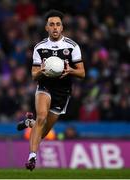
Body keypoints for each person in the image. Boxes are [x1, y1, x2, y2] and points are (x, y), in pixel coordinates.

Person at [17, 9, 85, 171]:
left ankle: (29, 122)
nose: (55, 27)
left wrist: (71, 71)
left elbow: (82, 73)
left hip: (63, 92)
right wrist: (41, 70)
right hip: (45, 86)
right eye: (51, 24)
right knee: (41, 117)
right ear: (46, 28)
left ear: (62, 27)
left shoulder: (72, 46)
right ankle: (32, 157)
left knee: (44, 130)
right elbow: (34, 75)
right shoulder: (40, 48)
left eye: (58, 24)